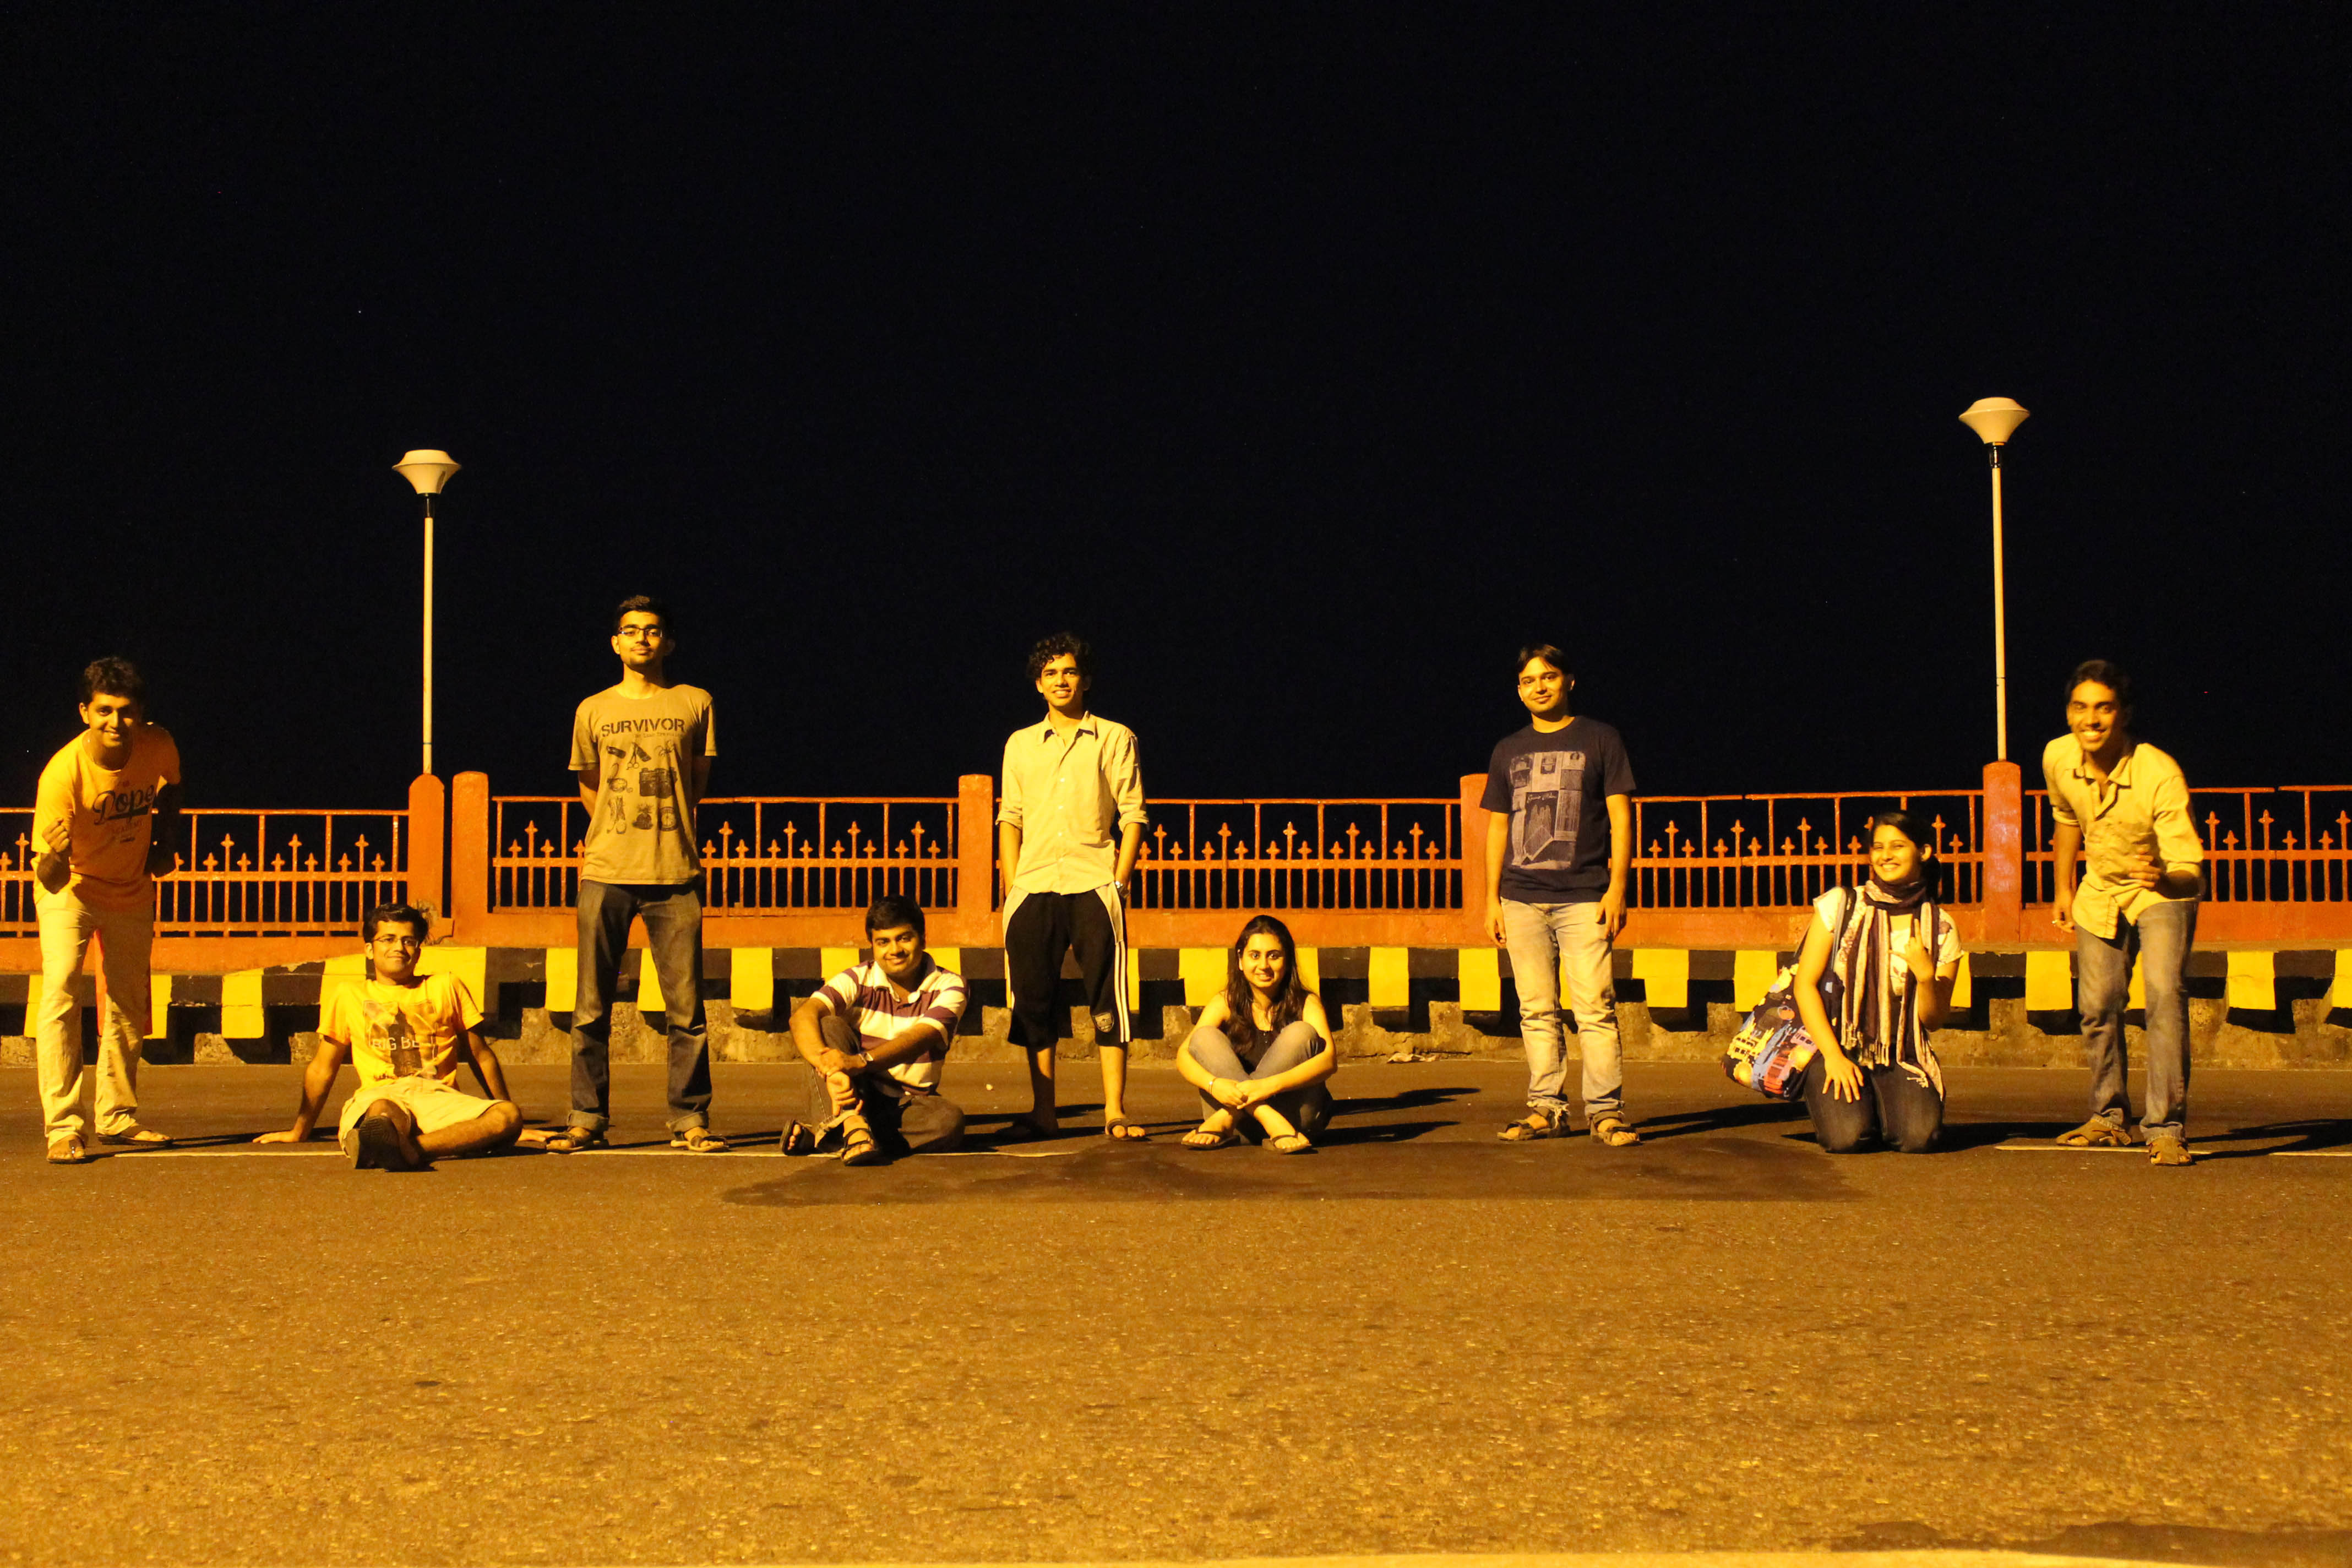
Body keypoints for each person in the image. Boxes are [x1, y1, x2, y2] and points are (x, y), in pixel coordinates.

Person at [542, 595, 727, 1153]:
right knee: (591, 1006)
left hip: (675, 871)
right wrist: (617, 828)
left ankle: (690, 1120)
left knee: (687, 1011)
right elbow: (590, 785)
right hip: (607, 870)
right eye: (631, 631)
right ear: (616, 643)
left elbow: (697, 780)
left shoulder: (695, 703)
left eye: (652, 631)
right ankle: (586, 1118)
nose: (641, 639)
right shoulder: (592, 709)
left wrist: (666, 829)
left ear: (667, 643)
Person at [1479, 643, 1642, 1146]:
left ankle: (1605, 1111)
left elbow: (1620, 817)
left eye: (1548, 677)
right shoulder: (1508, 749)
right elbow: (1497, 829)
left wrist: (1617, 888)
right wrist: (1491, 900)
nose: (1539, 687)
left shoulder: (1600, 738)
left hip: (1585, 895)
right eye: (1528, 681)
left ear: (1569, 681)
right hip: (1522, 897)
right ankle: (1546, 1109)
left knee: (1594, 1006)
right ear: (1519, 691)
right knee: (1536, 1009)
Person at [2044, 660, 2204, 1166]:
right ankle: (2110, 1119)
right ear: (2070, 713)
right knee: (2097, 1004)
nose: (2090, 719)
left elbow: (2191, 872)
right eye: (2080, 707)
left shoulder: (2159, 772)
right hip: (2100, 889)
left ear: (2124, 714)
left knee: (2163, 996)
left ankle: (2166, 1127)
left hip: (2160, 890)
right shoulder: (2058, 756)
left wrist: (2162, 876)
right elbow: (2066, 816)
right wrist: (2063, 887)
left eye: (2104, 708)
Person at [997, 633, 1149, 1141]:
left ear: (1085, 679)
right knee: (1035, 1002)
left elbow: (1133, 816)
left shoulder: (1114, 738)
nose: (1060, 681)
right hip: (1033, 888)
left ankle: (1114, 1110)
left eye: (1069, 672)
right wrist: (1014, 885)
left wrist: (1119, 881)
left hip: (1092, 883)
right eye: (1050, 674)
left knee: (1107, 997)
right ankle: (1045, 1112)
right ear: (1038, 685)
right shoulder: (1020, 744)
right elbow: (1010, 818)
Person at [32, 658, 183, 1165]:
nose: (115, 722)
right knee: (60, 992)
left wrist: (166, 841)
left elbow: (174, 789)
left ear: (140, 714)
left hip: (132, 888)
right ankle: (63, 1126)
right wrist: (54, 855)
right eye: (104, 711)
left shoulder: (158, 744)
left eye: (125, 711)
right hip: (72, 889)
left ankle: (116, 1116)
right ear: (84, 712)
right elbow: (49, 880)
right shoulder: (62, 774)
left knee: (126, 1000)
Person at [254, 903, 522, 1169]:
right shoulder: (349, 994)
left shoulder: (446, 986)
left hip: (440, 1097)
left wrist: (504, 1114)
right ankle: (402, 1141)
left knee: (508, 1116)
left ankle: (408, 1149)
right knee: (382, 1115)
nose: (399, 948)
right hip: (381, 1095)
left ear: (418, 951)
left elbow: (481, 1056)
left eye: (409, 941)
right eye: (388, 939)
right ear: (370, 949)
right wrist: (299, 1131)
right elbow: (323, 1068)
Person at [1788, 812, 1962, 1153]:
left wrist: (1926, 977)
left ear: (1923, 852)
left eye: (1898, 846)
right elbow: (1804, 985)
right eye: (1879, 847)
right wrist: (1835, 1057)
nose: (1885, 856)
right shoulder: (1842, 906)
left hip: (1901, 1050)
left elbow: (1934, 1020)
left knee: (1919, 1138)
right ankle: (1852, 1104)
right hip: (1835, 1042)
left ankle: (1884, 1105)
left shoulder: (1940, 927)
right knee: (1847, 1138)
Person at [780, 896, 969, 1164]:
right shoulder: (858, 978)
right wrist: (827, 1065)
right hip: (854, 1091)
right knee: (828, 1026)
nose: (895, 950)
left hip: (907, 1104)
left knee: (949, 1122)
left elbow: (924, 1036)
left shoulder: (951, 985)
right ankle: (853, 1126)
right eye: (884, 942)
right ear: (873, 946)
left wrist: (861, 1061)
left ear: (923, 940)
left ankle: (834, 1133)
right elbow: (803, 1016)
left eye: (904, 938)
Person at [1175, 915, 1336, 1154]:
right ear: (1240, 960)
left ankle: (1235, 1115)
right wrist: (1214, 1085)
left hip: (1294, 1120)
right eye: (1255, 955)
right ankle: (1260, 1116)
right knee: (1204, 1036)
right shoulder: (1225, 1001)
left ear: (1288, 960)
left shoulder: (1307, 1003)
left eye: (1274, 955)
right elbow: (1183, 1056)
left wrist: (1268, 1086)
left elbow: (1329, 1061)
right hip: (1236, 1123)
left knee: (1301, 1032)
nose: (1263, 965)